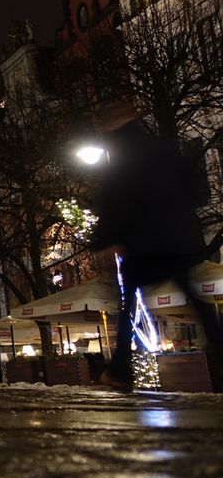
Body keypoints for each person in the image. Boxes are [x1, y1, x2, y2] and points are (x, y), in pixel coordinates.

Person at [90, 118, 223, 392]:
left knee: (127, 304)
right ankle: (220, 345)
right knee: (194, 296)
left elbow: (115, 201)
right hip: (179, 240)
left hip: (145, 245)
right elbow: (192, 185)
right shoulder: (166, 149)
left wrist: (104, 240)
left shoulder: (123, 162)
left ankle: (120, 369)